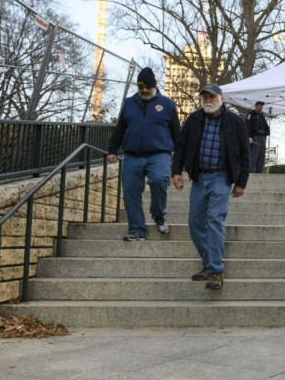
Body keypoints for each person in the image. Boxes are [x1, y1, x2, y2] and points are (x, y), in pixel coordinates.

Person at [171, 84, 250, 290]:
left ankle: (215, 271)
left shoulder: (234, 121)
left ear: (221, 98)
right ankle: (208, 264)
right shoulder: (195, 119)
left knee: (214, 220)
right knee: (195, 224)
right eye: (205, 96)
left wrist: (241, 182)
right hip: (199, 178)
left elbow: (245, 154)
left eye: (211, 96)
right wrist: (176, 172)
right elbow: (180, 146)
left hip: (221, 178)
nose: (207, 100)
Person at [107, 67, 180, 241]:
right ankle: (137, 229)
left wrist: (180, 161)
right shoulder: (129, 103)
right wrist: (112, 150)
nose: (144, 90)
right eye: (141, 87)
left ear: (154, 86)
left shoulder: (168, 105)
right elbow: (120, 129)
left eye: (148, 87)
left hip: (159, 153)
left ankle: (158, 215)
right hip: (132, 154)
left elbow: (177, 134)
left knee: (159, 180)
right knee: (130, 190)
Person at [246, 101, 270, 173]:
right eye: (260, 105)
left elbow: (266, 127)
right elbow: (247, 126)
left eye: (262, 105)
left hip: (262, 138)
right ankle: (251, 173)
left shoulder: (262, 116)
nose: (261, 107)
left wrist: (266, 133)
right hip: (255, 138)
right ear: (256, 106)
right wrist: (249, 136)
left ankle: (259, 173)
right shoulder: (251, 114)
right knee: (254, 156)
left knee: (261, 157)